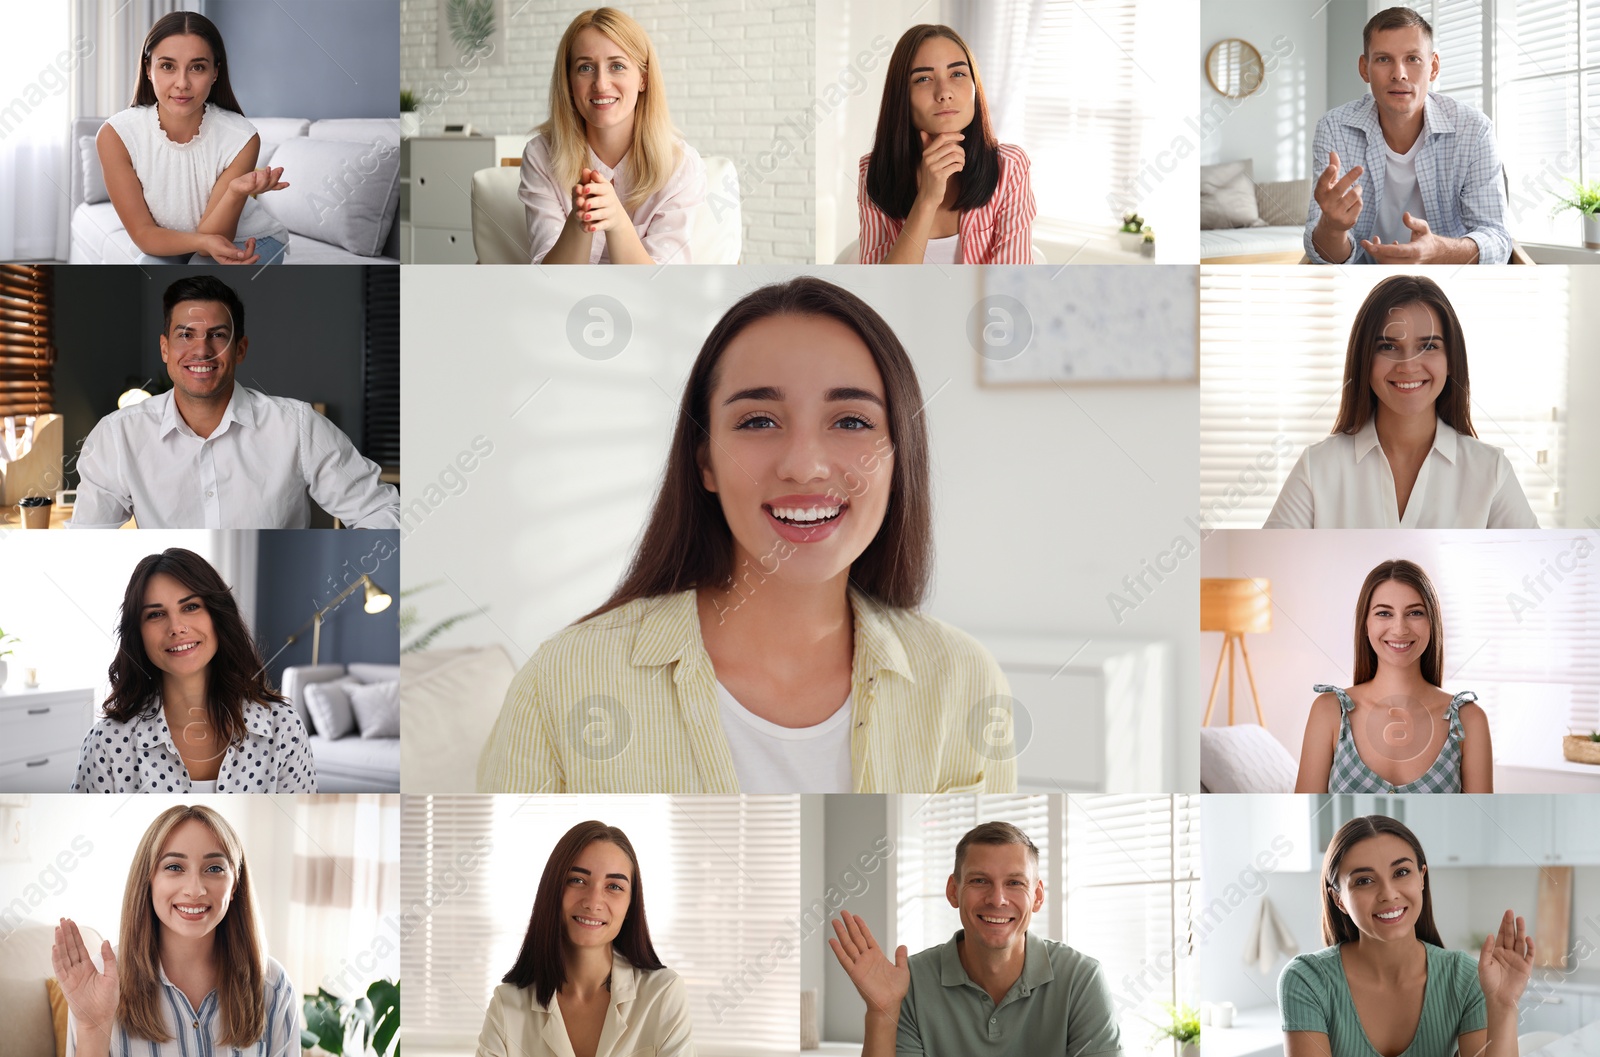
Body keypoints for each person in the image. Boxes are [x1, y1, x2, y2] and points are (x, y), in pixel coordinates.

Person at [478, 276, 1013, 793]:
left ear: (901, 455)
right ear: (705, 460)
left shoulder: (964, 682)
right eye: (758, 421)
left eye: (850, 421)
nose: (804, 467)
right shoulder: (562, 681)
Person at [69, 275, 401, 529]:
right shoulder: (117, 435)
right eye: (185, 334)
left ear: (240, 349)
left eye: (217, 335)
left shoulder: (297, 426)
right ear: (165, 348)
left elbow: (382, 511)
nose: (201, 350)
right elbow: (84, 545)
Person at [1265, 275, 1537, 529]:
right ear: (1365, 360)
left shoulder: (1492, 470)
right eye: (1388, 346)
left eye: (1428, 346)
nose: (1408, 366)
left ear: (1451, 360)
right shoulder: (1317, 467)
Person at [828, 822, 1122, 1057]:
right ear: (953, 891)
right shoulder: (908, 982)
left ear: (1038, 896)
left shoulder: (1081, 979)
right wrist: (882, 1013)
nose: (997, 899)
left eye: (1015, 883)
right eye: (979, 881)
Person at [52, 805, 299, 1057]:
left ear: (234, 884)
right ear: (148, 880)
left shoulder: (273, 986)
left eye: (214, 868)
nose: (195, 890)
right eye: (174, 867)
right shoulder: (100, 983)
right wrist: (92, 1027)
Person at [1280, 815, 1531, 1057]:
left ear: (1421, 878)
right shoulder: (1306, 980)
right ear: (1339, 900)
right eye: (1364, 880)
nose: (1388, 894)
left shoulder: (1465, 977)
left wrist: (1503, 1007)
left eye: (1401, 872)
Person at [72, 548, 316, 793]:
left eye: (190, 607)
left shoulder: (283, 727)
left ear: (217, 616)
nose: (176, 627)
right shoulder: (106, 743)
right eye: (156, 614)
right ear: (138, 634)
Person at [1305, 6, 1510, 265]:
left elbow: (1497, 239)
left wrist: (1437, 250)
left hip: (1448, 280)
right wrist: (1333, 228)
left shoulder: (1475, 129)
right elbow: (1324, 256)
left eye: (1412, 58)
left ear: (1433, 67)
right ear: (1364, 68)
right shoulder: (1333, 128)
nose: (1399, 73)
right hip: (1360, 282)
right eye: (1383, 59)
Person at [477, 821, 691, 1057]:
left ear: (631, 905)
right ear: (553, 890)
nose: (593, 902)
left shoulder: (663, 994)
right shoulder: (507, 1006)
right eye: (577, 880)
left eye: (614, 886)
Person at [97, 12, 290, 266]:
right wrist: (199, 242)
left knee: (200, 268)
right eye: (167, 66)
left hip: (248, 238)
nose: (182, 83)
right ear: (148, 69)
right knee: (148, 267)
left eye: (197, 67)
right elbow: (144, 235)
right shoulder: (116, 135)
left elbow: (214, 241)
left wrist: (234, 192)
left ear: (214, 73)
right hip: (182, 242)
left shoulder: (242, 137)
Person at [520, 7, 707, 264]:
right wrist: (581, 219)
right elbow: (550, 279)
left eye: (617, 66)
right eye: (585, 68)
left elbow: (662, 287)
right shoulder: (541, 156)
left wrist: (618, 222)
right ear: (569, 83)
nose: (601, 84)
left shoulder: (681, 165)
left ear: (643, 79)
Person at [1294, 560, 1491, 794]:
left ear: (1432, 623)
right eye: (1384, 613)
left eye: (1415, 613)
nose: (1399, 629)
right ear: (1365, 624)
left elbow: (1478, 823)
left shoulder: (1469, 720)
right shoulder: (1329, 711)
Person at [858, 25, 1036, 264]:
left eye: (958, 74)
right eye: (923, 79)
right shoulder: (873, 171)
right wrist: (927, 199)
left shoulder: (1010, 167)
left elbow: (1012, 284)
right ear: (901, 97)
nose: (944, 93)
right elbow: (879, 286)